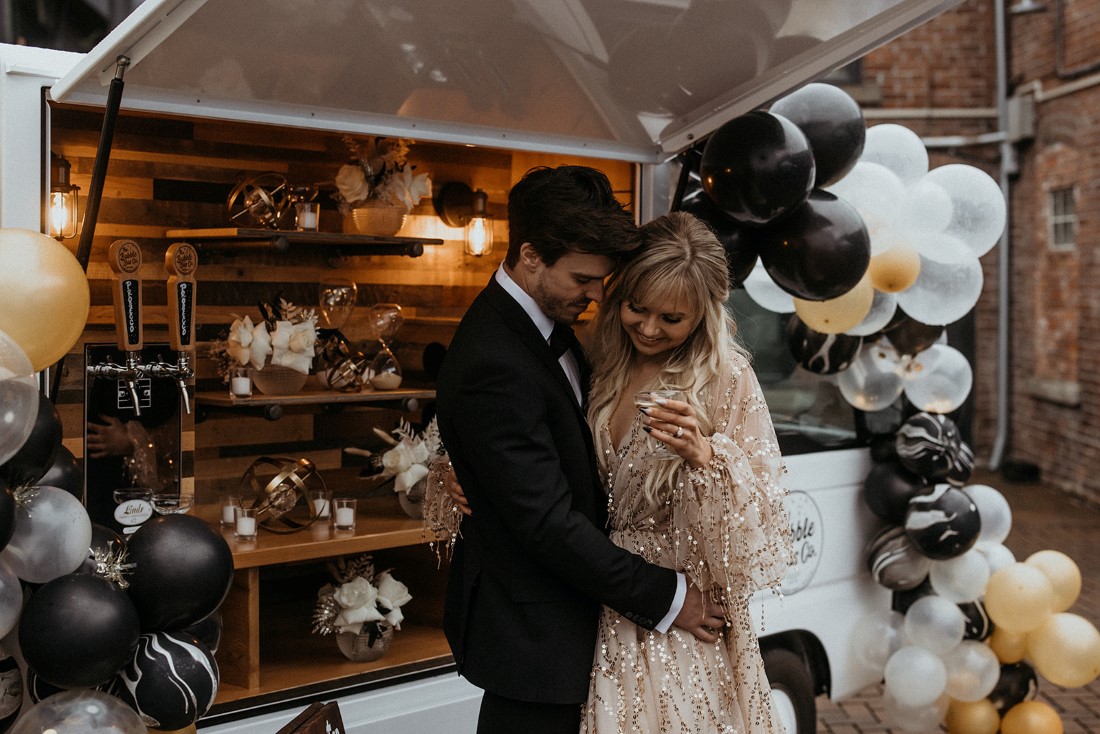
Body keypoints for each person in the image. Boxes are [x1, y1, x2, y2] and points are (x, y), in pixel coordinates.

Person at [431, 166, 724, 734]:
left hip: (582, 633)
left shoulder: (550, 326)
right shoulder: (495, 356)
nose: (597, 295)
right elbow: (546, 523)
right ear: (531, 255)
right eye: (584, 279)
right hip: (535, 644)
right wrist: (669, 598)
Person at [580, 211, 795, 732]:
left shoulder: (727, 375)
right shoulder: (596, 354)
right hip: (592, 594)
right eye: (638, 308)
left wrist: (708, 459)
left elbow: (761, 528)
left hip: (684, 615)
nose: (649, 329)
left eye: (671, 319)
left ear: (703, 314)